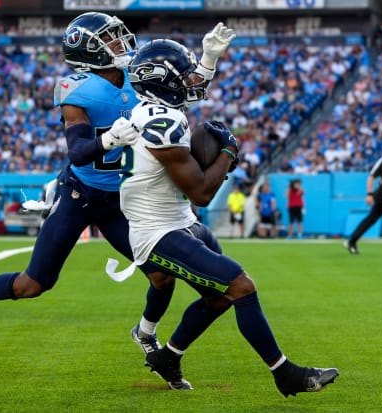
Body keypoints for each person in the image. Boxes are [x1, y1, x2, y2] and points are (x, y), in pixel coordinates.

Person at [0, 13, 181, 346]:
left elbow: (184, 89)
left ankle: (145, 333)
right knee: (33, 284)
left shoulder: (138, 77)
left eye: (118, 36)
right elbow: (77, 151)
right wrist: (109, 139)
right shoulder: (77, 89)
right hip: (80, 193)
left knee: (163, 276)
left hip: (119, 200)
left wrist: (209, 61)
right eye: (111, 39)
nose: (121, 43)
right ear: (91, 51)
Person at [109, 38, 339, 395]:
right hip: (157, 232)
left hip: (179, 221)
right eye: (182, 75)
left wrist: (209, 58)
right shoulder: (161, 123)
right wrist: (228, 153)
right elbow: (201, 192)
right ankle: (286, 374)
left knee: (219, 297)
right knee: (240, 286)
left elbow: (194, 89)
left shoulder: (152, 111)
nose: (190, 80)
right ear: (163, 82)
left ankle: (168, 356)